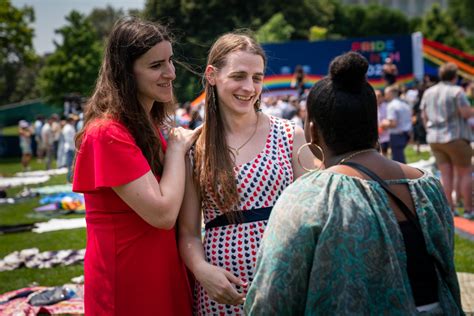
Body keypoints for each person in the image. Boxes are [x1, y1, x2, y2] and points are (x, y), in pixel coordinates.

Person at [245, 52, 463, 315]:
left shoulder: (308, 196)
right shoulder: (428, 186)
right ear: (374, 125)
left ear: (313, 131)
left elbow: (270, 299)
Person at [178, 32, 315, 315]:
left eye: (257, 77)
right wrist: (202, 270)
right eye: (238, 76)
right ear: (212, 75)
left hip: (286, 278)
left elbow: (313, 215)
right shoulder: (196, 146)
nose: (249, 87)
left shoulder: (290, 134)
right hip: (224, 288)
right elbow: (189, 232)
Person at [72, 17, 199, 315]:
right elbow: (163, 213)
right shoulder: (107, 133)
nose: (170, 73)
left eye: (170, 61)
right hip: (130, 281)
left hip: (162, 270)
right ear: (125, 73)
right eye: (156, 66)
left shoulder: (149, 126)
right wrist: (178, 149)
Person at [420, 62, 473, 219]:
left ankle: (450, 208)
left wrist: (430, 130)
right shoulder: (456, 91)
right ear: (454, 77)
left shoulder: (428, 92)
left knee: (445, 175)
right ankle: (469, 210)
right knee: (465, 173)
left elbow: (424, 116)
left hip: (435, 138)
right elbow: (465, 113)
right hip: (455, 137)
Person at [382, 85, 412, 163]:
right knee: (400, 158)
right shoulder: (404, 104)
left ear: (391, 93)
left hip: (396, 135)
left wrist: (384, 123)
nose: (385, 96)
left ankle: (402, 175)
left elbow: (393, 123)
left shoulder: (392, 105)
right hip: (405, 134)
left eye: (386, 93)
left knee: (398, 161)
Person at [376, 89, 390, 156]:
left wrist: (384, 124)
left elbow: (390, 119)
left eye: (379, 96)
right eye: (375, 96)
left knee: (384, 155)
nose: (377, 98)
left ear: (382, 97)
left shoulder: (387, 106)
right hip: (376, 136)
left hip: (385, 135)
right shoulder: (371, 106)